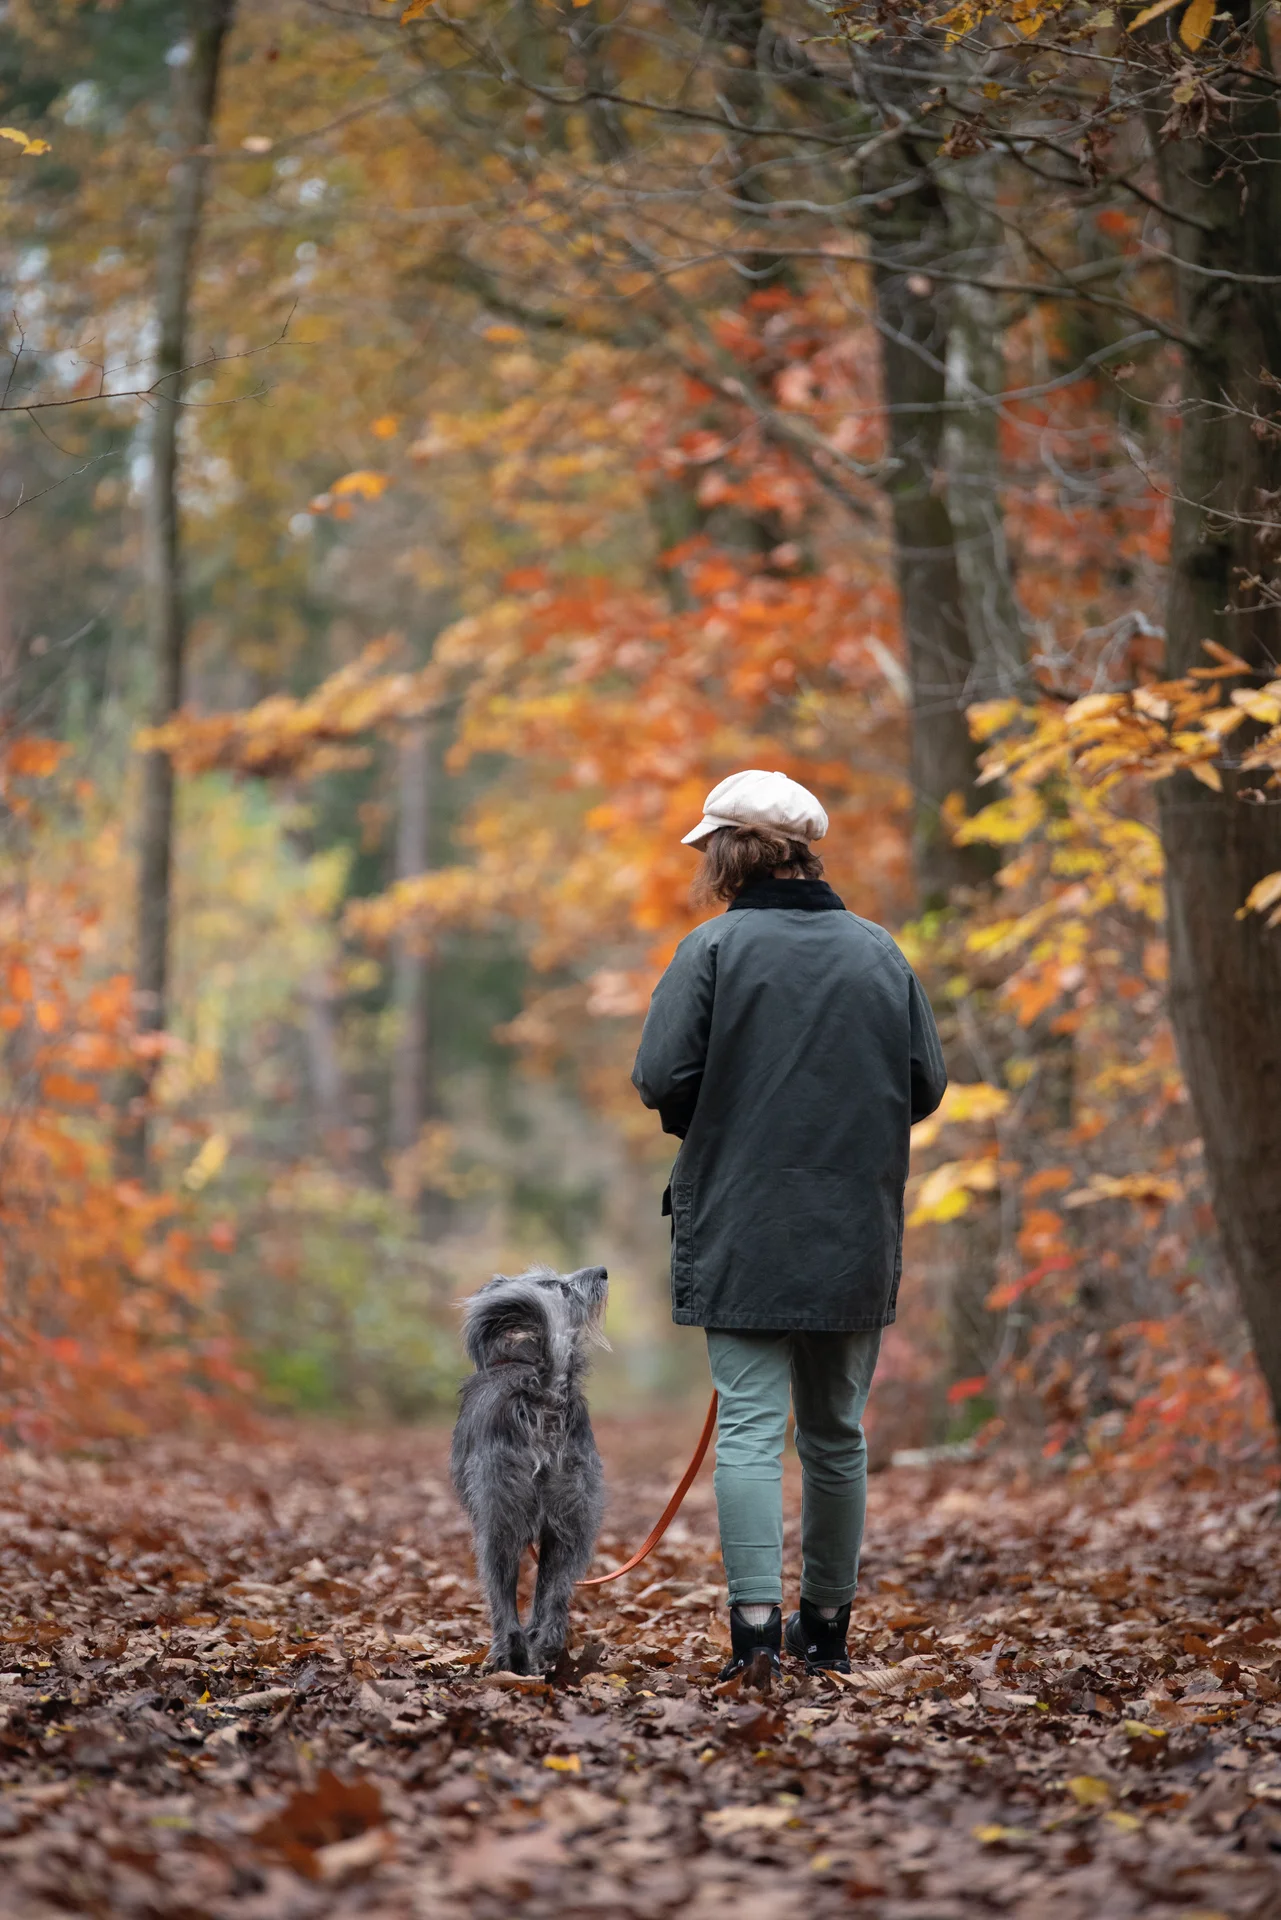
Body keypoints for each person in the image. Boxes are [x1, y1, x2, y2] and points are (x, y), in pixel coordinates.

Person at [631, 769, 947, 1678]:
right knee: (836, 1434)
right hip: (853, 1223)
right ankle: (828, 1632)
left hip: (740, 1220)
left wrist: (716, 1117)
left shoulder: (710, 950)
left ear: (728, 854)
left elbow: (658, 1078)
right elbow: (924, 1083)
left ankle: (755, 1636)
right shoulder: (879, 951)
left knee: (748, 1432)